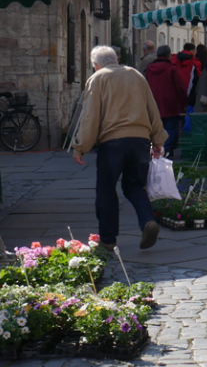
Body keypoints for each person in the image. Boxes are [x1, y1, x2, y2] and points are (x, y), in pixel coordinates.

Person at [71, 46, 167, 251]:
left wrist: (81, 146)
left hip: (112, 142)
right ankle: (147, 221)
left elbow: (90, 116)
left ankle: (108, 239)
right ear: (116, 59)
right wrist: (158, 139)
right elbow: (152, 108)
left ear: (95, 65)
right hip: (140, 139)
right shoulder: (136, 75)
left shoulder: (98, 78)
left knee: (106, 189)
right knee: (134, 186)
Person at [145, 45, 187, 156]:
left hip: (154, 102)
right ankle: (167, 149)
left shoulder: (149, 68)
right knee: (171, 127)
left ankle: (157, 149)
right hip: (170, 103)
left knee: (157, 128)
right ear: (168, 55)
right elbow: (180, 87)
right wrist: (184, 103)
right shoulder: (172, 68)